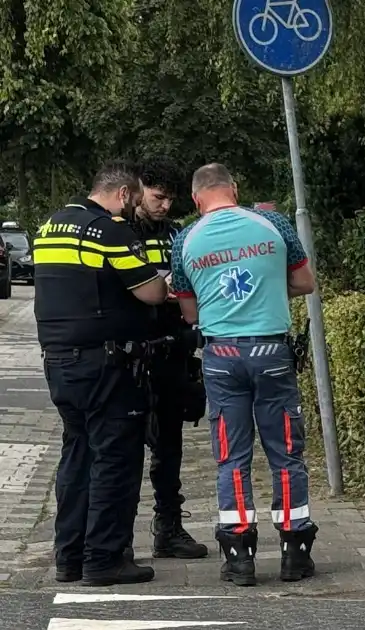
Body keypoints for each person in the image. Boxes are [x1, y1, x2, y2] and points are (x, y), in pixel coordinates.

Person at [169, 163, 319, 586]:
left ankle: (238, 558)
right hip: (272, 351)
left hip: (221, 355)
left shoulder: (185, 241)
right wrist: (268, 287)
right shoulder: (272, 223)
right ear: (233, 188)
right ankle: (294, 551)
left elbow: (190, 311)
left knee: (231, 456)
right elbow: (305, 282)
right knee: (286, 452)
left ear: (196, 198)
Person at [34, 160, 168, 586]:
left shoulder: (49, 226)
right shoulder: (110, 231)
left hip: (59, 362)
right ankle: (105, 559)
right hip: (105, 364)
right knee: (115, 459)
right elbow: (150, 292)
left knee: (77, 455)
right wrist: (162, 282)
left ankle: (69, 557)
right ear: (125, 195)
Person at [124, 157, 209, 561]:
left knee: (170, 447)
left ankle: (169, 526)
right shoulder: (121, 233)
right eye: (158, 198)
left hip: (174, 349)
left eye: (172, 200)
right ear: (139, 189)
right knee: (122, 447)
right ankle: (119, 534)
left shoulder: (177, 235)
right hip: (134, 352)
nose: (165, 207)